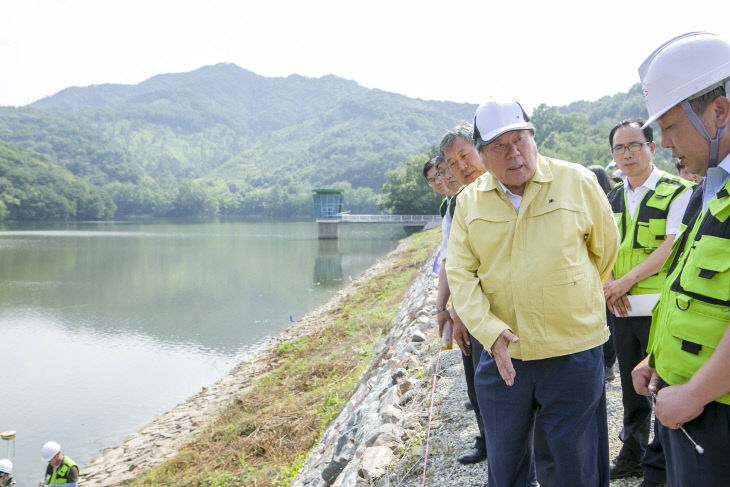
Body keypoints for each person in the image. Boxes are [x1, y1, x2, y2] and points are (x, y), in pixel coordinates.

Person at [447, 96, 619, 487]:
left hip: (573, 351)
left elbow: (604, 249)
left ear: (534, 138)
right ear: (482, 154)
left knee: (574, 465)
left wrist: (568, 296)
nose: (514, 154)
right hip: (505, 354)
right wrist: (490, 332)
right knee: (506, 465)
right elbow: (461, 276)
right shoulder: (468, 202)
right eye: (498, 147)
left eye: (521, 140)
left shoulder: (576, 180)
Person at [631, 31, 730, 486]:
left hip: (712, 410)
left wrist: (694, 392)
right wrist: (656, 358)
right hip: (683, 403)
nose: (664, 142)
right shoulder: (708, 191)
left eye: (670, 126)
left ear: (719, 112)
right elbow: (690, 290)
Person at [604, 118, 694, 486]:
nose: (627, 154)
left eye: (634, 145)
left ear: (651, 147)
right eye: (619, 149)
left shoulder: (679, 190)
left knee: (663, 385)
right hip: (620, 308)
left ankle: (662, 467)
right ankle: (632, 454)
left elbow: (671, 245)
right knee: (630, 388)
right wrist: (609, 283)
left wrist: (624, 281)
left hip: (661, 308)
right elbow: (601, 246)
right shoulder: (611, 197)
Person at [434, 124, 488, 465]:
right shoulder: (457, 205)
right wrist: (449, 310)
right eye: (450, 164)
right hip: (476, 314)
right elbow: (454, 263)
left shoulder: (513, 190)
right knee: (480, 386)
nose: (459, 168)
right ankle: (491, 444)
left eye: (465, 156)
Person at [588, 164, 618, 382]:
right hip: (610, 274)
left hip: (600, 276)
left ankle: (604, 364)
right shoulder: (612, 201)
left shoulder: (595, 204)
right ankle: (607, 364)